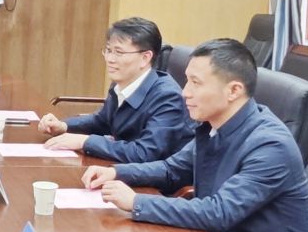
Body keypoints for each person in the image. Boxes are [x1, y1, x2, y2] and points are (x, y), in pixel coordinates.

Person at [81, 38, 308, 232]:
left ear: (233, 90)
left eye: (196, 83)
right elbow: (172, 169)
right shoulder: (215, 125)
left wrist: (136, 202)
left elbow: (220, 212)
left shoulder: (270, 145)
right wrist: (117, 172)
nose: (185, 92)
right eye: (187, 81)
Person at [35, 15, 193, 162]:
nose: (110, 59)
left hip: (156, 179)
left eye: (118, 52)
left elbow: (145, 152)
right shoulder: (123, 82)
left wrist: (86, 142)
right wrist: (64, 126)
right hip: (124, 168)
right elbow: (102, 121)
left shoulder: (167, 96)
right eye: (108, 51)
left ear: (145, 58)